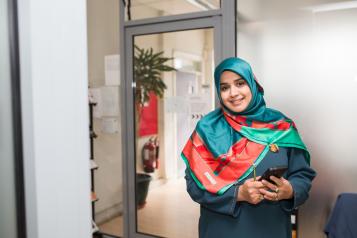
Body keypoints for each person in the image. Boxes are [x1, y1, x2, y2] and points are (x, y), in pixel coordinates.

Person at [181, 57, 316, 238]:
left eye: (240, 83)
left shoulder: (280, 126)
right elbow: (193, 185)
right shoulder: (207, 129)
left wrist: (290, 190)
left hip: (271, 229)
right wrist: (237, 194)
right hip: (221, 229)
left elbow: (303, 176)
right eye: (224, 87)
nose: (233, 93)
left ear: (253, 84)